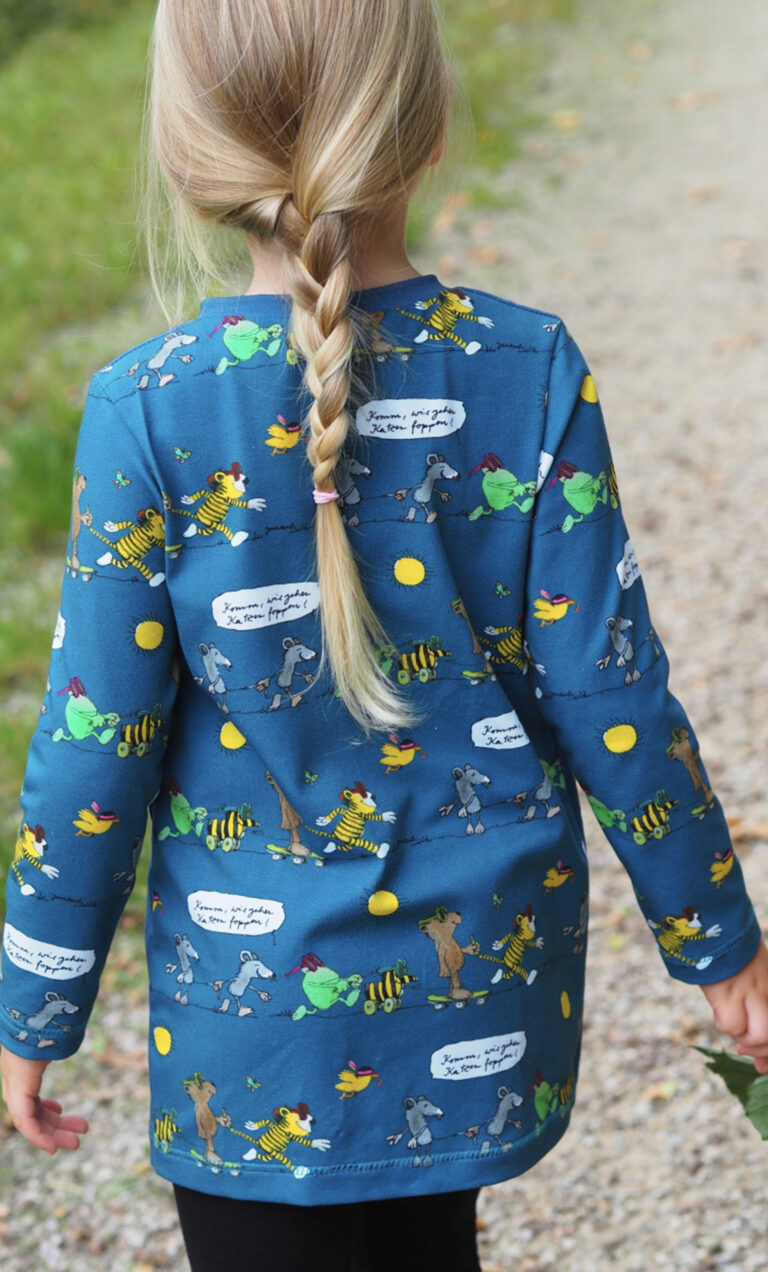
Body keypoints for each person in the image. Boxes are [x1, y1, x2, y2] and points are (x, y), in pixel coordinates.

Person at [2, 2, 768, 1269]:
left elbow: (95, 750)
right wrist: (716, 937)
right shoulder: (526, 367)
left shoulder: (148, 409)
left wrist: (36, 1002)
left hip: (249, 1044)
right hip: (483, 1009)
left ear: (189, 151)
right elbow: (613, 694)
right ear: (425, 124)